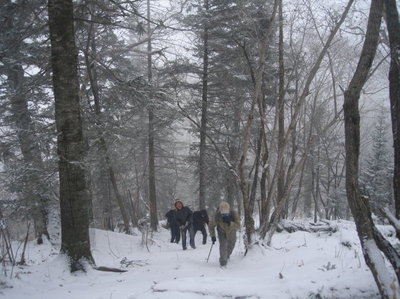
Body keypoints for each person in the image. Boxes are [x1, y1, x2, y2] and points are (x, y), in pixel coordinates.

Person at [209, 201, 240, 267]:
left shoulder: (234, 213)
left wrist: (230, 223)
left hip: (231, 231)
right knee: (223, 246)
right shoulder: (216, 216)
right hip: (221, 232)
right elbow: (211, 226)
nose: (224, 215)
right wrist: (213, 236)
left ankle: (227, 255)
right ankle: (223, 262)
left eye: (226, 214)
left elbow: (238, 225)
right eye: (223, 214)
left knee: (231, 245)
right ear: (220, 211)